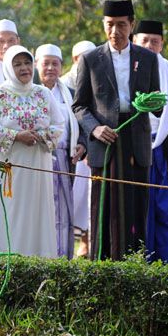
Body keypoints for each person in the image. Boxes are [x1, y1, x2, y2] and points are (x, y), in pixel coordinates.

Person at [72, 0, 161, 260]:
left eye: (121, 25)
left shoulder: (147, 58)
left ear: (132, 25)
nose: (115, 31)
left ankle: (135, 264)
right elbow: (79, 106)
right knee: (104, 209)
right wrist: (95, 130)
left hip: (136, 142)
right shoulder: (90, 59)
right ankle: (101, 265)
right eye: (110, 25)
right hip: (105, 142)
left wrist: (153, 103)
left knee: (136, 207)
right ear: (103, 25)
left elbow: (157, 104)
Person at [0, 45, 65, 256]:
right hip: (7, 168)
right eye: (17, 64)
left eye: (27, 63)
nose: (24, 68)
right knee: (6, 214)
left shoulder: (43, 93)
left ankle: (36, 259)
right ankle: (0, 261)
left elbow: (59, 125)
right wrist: (16, 135)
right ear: (8, 67)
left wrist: (40, 136)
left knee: (35, 215)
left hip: (37, 167)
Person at [133, 20, 168, 263]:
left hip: (162, 149)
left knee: (164, 209)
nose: (149, 45)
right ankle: (139, 259)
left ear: (162, 43)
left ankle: (166, 262)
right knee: (139, 208)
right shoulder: (129, 68)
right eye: (144, 41)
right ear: (135, 41)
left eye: (155, 41)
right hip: (135, 148)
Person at [35, 43, 86, 258]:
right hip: (37, 159)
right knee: (40, 209)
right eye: (45, 63)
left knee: (63, 210)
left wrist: (82, 143)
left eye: (55, 64)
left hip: (65, 159)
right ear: (37, 65)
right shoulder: (31, 93)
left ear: (61, 66)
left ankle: (62, 256)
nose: (50, 68)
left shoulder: (71, 93)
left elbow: (81, 121)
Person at [62, 40, 96, 257]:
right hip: (73, 149)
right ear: (76, 59)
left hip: (91, 146)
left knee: (89, 197)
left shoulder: (97, 78)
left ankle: (88, 241)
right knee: (74, 197)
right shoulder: (64, 84)